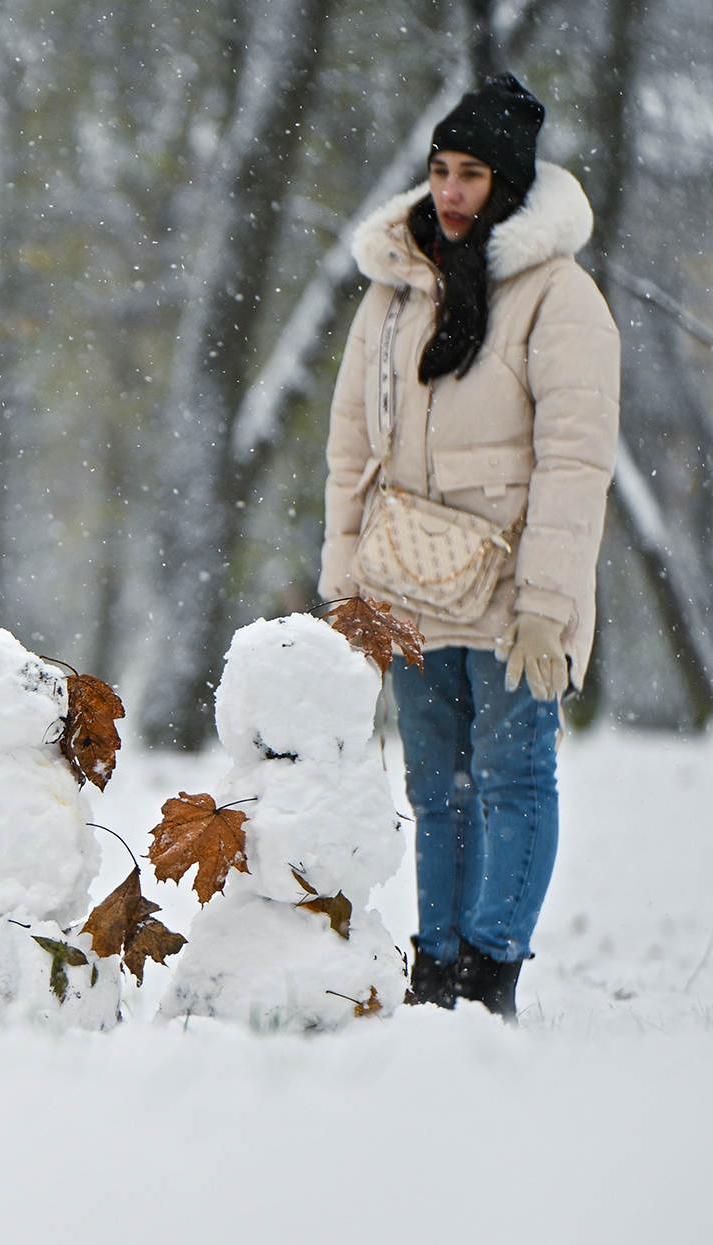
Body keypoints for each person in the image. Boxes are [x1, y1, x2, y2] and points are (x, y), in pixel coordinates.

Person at [320, 74, 619, 1019]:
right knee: (435, 782)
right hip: (408, 579)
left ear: (512, 183)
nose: (449, 192)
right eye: (440, 170)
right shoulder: (396, 291)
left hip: (512, 590)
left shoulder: (560, 298)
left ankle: (493, 973)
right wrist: (345, 587)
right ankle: (435, 968)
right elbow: (349, 448)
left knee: (512, 775)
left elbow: (576, 465)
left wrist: (550, 607)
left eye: (472, 174)